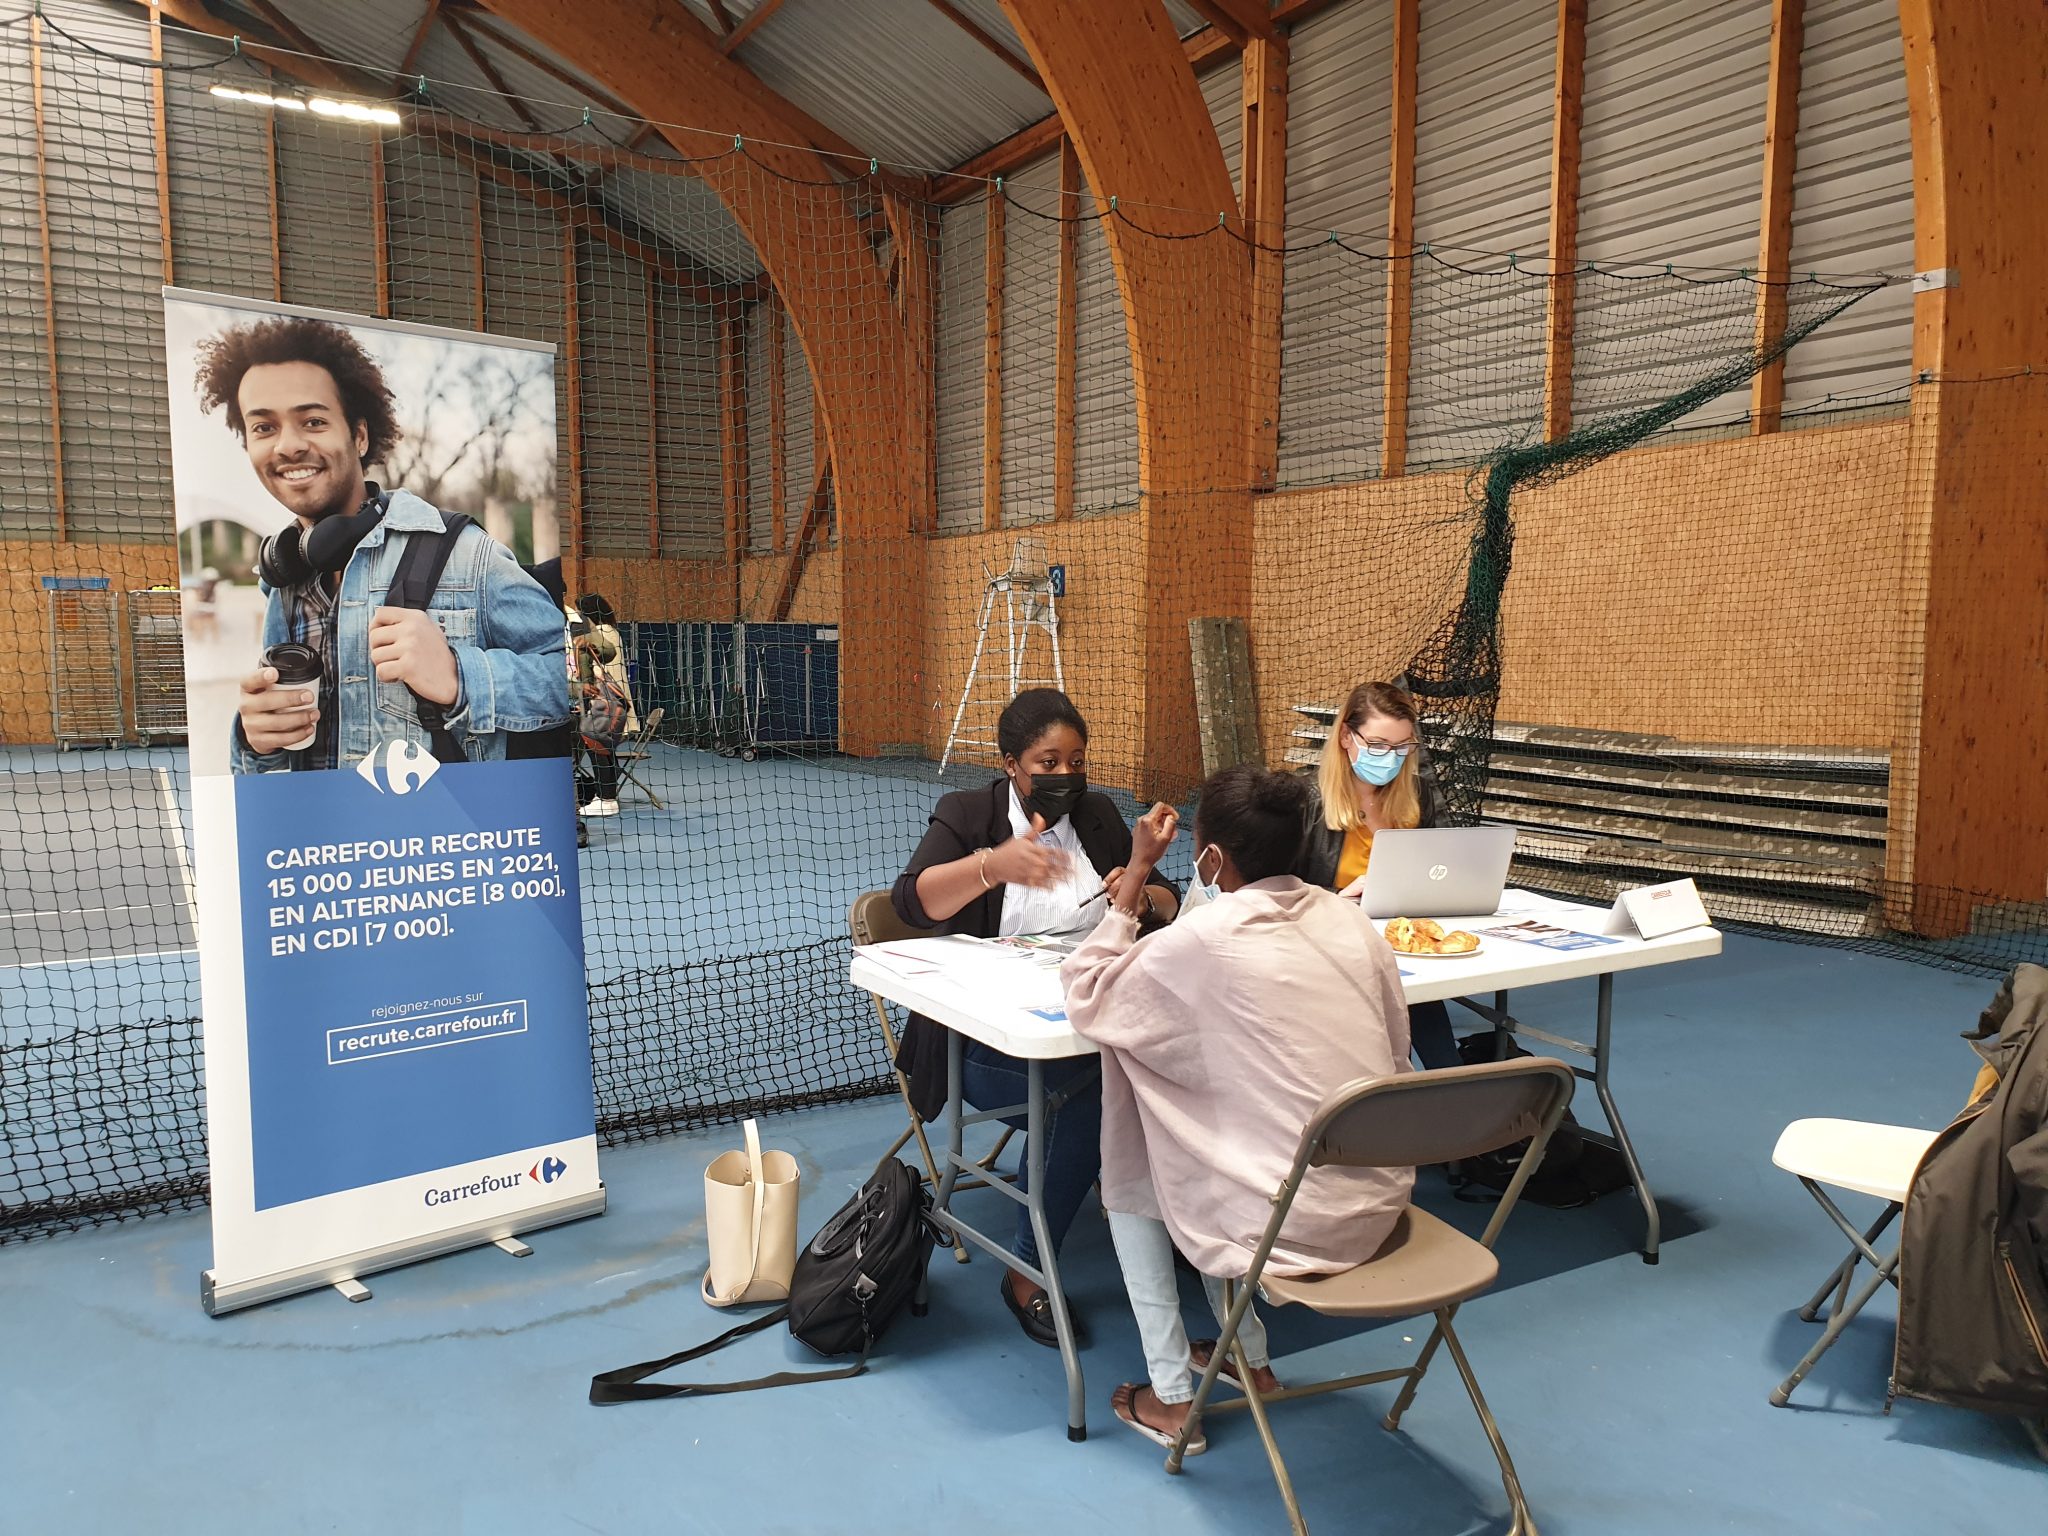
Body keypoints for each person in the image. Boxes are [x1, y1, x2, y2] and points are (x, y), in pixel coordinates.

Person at [1062, 765, 1415, 1452]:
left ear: (1212, 859)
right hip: (1377, 1206)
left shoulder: (1200, 941)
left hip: (1281, 1226)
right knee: (1215, 1113)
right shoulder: (1352, 924)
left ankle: (1170, 1400)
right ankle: (1249, 1356)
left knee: (1134, 1121)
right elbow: (1397, 1055)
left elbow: (1087, 993)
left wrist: (1135, 873)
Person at [891, 688, 1179, 1347]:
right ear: (1011, 764)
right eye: (1047, 763)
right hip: (982, 1047)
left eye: (1076, 761)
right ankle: (1028, 1269)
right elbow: (909, 903)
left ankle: (1180, 1223)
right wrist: (991, 866)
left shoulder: (1099, 814)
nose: (1064, 776)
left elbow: (1167, 903)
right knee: (1100, 1085)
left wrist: (1142, 882)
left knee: (1163, 1053)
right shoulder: (970, 813)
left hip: (1084, 1016)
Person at [195, 316, 567, 773]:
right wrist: (254, 742)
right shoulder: (283, 580)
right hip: (319, 842)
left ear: (359, 435)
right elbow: (268, 770)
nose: (288, 446)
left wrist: (459, 676)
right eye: (264, 428)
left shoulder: (465, 553)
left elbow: (584, 684)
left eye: (312, 420)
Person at [1299, 679, 1462, 1070]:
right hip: (1332, 943)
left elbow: (1443, 867)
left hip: (1400, 943)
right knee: (1393, 1030)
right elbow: (1275, 888)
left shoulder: (1416, 794)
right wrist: (1336, 896)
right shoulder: (1301, 799)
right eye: (1377, 746)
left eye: (1402, 747)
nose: (1390, 757)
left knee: (1438, 1049)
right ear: (1345, 737)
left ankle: (1458, 1092)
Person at [570, 592, 637, 818]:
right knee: (599, 747)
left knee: (597, 746)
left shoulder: (599, 634)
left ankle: (605, 796)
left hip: (604, 703)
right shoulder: (611, 631)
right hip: (614, 703)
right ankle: (604, 794)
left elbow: (597, 669)